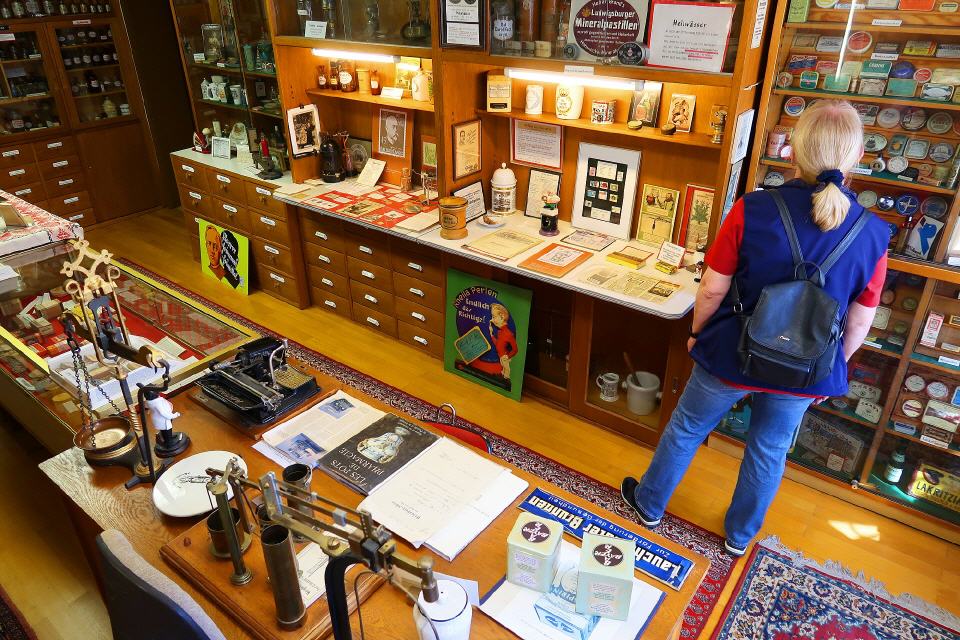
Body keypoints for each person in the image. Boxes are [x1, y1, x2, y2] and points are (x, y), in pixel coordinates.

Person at [621, 100, 889, 557]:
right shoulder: (874, 233)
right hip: (807, 365)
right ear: (858, 157)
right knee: (769, 449)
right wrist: (832, 367)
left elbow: (712, 288)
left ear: (793, 151)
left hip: (735, 350)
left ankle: (648, 505)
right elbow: (862, 318)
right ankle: (739, 538)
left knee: (687, 427)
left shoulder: (754, 208)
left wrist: (697, 333)